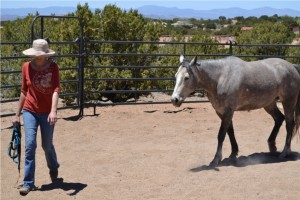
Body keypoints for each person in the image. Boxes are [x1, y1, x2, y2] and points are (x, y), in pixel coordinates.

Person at [13, 39, 60, 195]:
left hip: (47, 111)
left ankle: (53, 167)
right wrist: (17, 113)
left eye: (41, 55)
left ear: (46, 55)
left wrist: (53, 111)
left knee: (47, 146)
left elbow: (55, 89)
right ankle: (28, 182)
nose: (38, 58)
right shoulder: (26, 67)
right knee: (30, 144)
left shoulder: (53, 68)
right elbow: (23, 91)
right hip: (30, 110)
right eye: (36, 55)